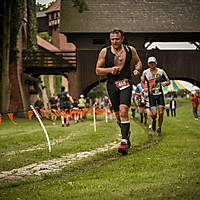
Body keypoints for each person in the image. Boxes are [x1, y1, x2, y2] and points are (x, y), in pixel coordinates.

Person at [96, 28, 142, 155]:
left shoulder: (130, 50)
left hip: (126, 83)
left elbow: (138, 62)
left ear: (122, 39)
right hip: (112, 85)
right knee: (118, 115)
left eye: (117, 39)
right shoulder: (104, 52)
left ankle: (123, 142)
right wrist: (110, 69)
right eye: (112, 39)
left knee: (123, 110)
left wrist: (137, 70)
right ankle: (126, 133)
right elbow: (98, 70)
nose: (115, 41)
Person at [141, 56, 170, 136]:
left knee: (161, 113)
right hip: (151, 96)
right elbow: (142, 82)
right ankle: (154, 121)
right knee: (154, 114)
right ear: (148, 64)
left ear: (156, 62)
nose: (152, 64)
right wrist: (144, 88)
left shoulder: (161, 71)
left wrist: (165, 83)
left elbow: (168, 81)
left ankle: (159, 128)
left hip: (160, 95)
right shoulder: (145, 72)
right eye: (150, 63)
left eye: (153, 62)